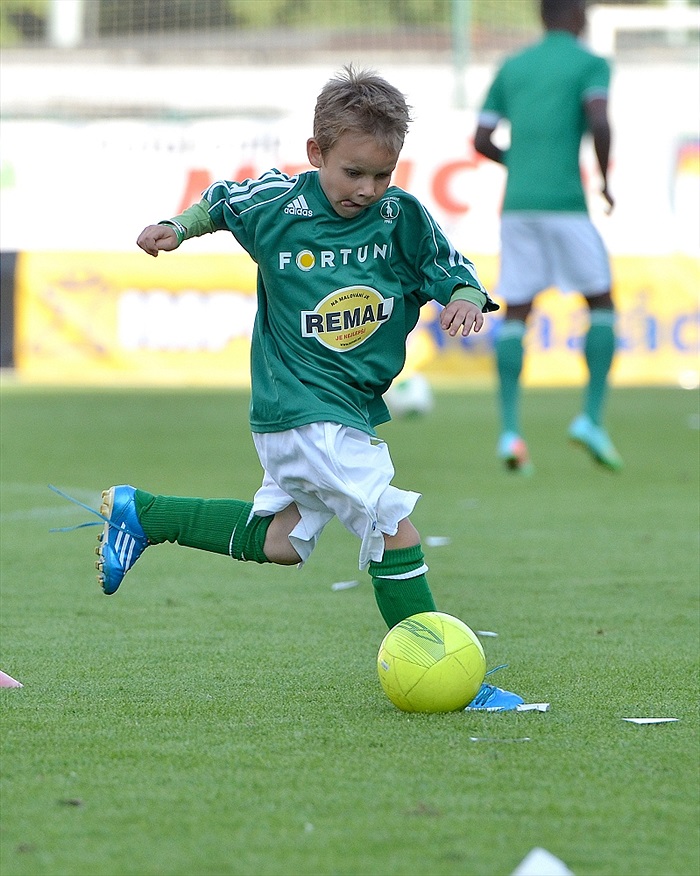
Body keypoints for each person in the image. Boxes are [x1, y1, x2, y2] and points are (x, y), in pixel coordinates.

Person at [58, 66, 523, 710]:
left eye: (382, 174)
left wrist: (466, 298)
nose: (367, 189)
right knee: (394, 525)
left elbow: (449, 268)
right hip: (302, 407)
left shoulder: (401, 218)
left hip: (344, 412)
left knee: (282, 541)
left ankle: (147, 514)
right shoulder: (282, 207)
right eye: (351, 172)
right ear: (316, 154)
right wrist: (179, 226)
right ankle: (446, 676)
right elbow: (223, 200)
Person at [474, 0, 623, 474]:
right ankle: (591, 419)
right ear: (579, 17)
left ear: (541, 17)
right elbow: (598, 118)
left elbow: (480, 138)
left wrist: (518, 165)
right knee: (600, 303)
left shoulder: (513, 66)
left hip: (517, 207)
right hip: (565, 203)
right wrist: (603, 180)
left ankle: (509, 432)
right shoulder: (590, 62)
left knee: (517, 308)